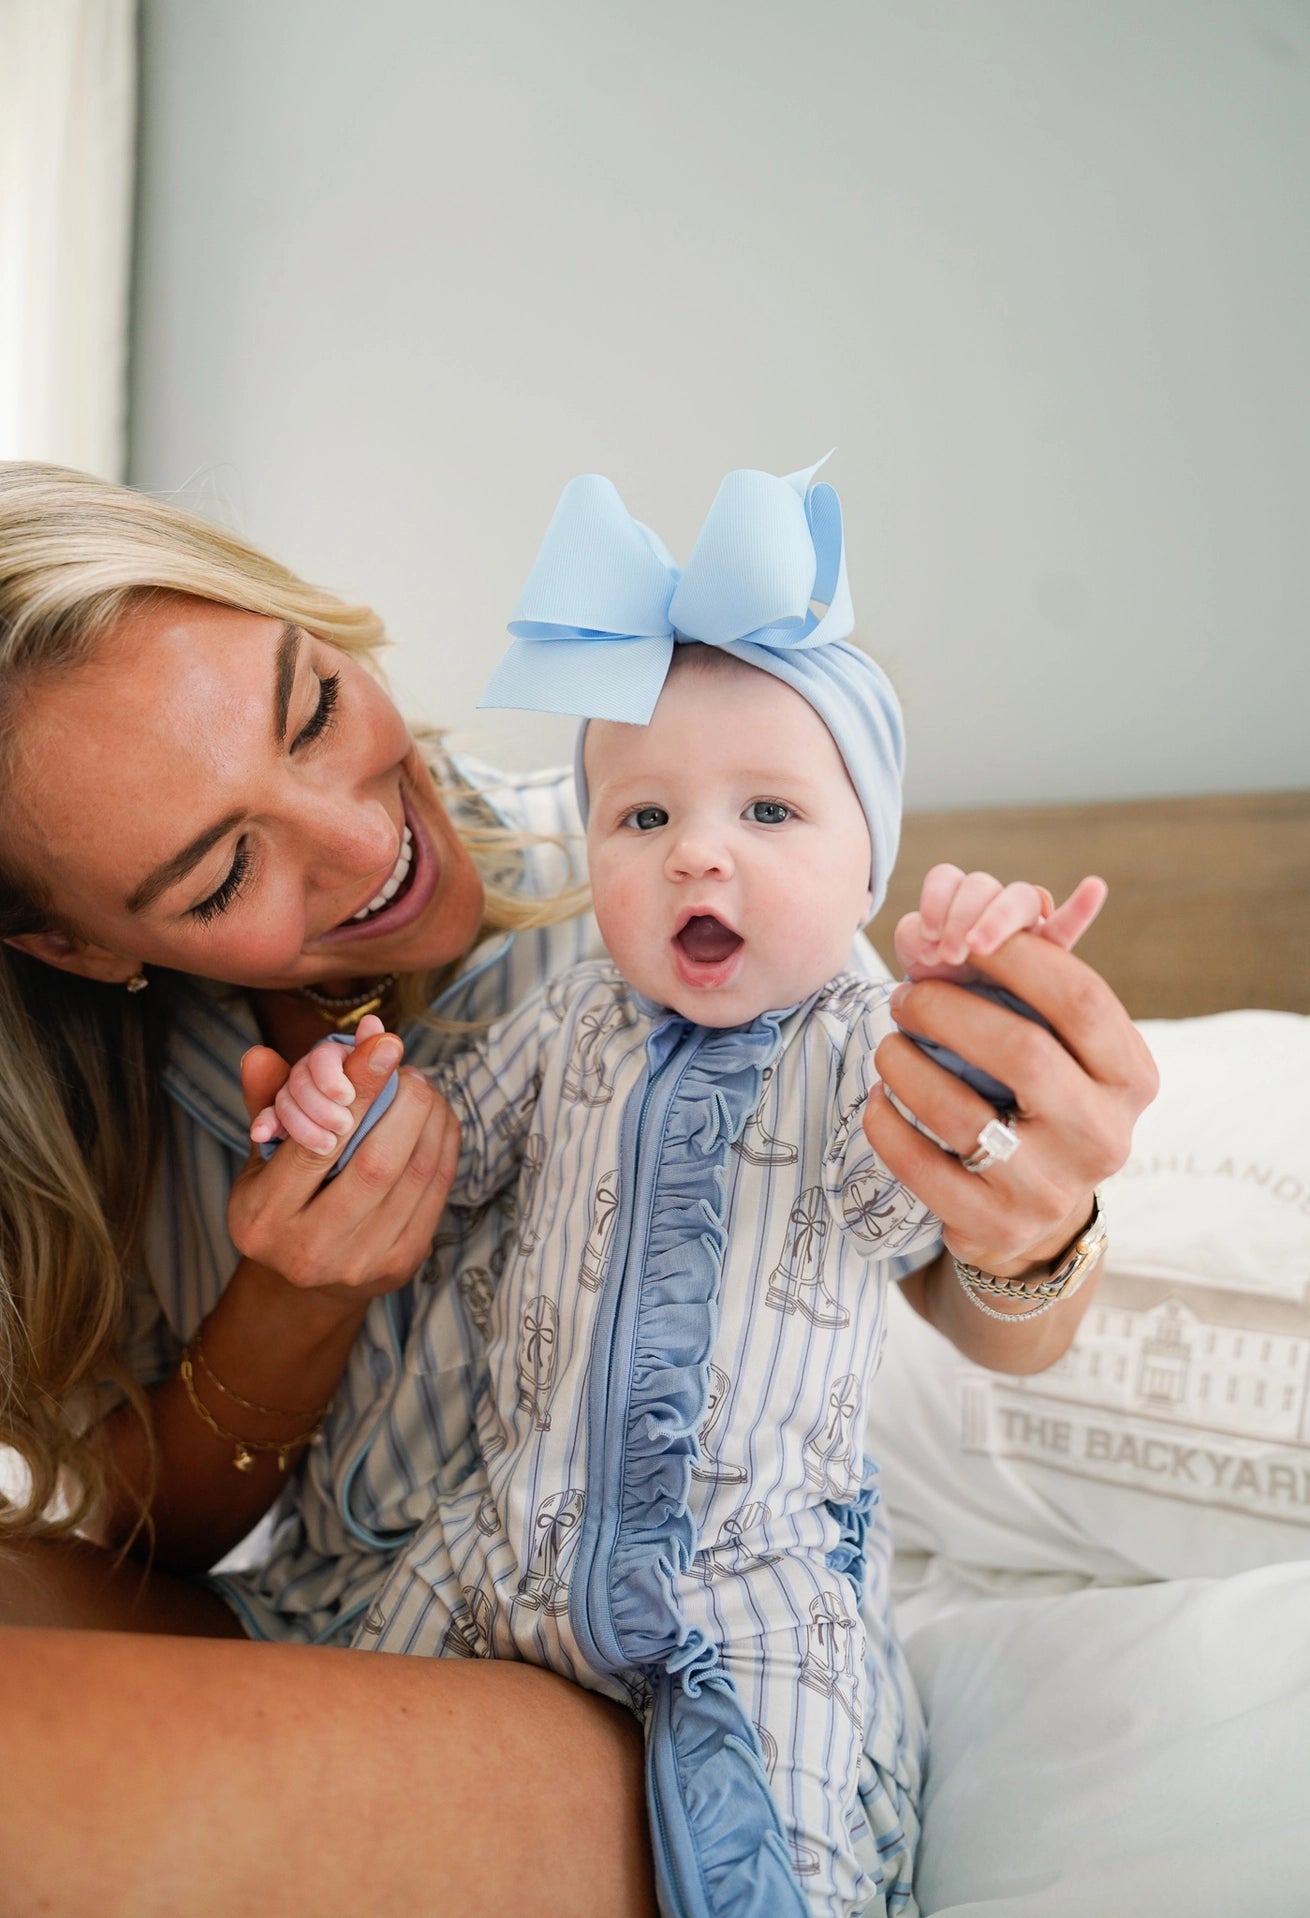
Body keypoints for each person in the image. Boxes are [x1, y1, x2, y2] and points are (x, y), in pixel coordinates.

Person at [0, 459, 1156, 1917]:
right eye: (225, 872)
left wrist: (1031, 1214)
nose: (364, 849)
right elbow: (129, 1533)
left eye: (308, 711)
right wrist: (291, 1297)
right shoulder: (97, 1094)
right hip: (339, 1607)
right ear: (81, 947)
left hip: (621, 1667)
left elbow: (969, 1282)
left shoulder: (683, 898)